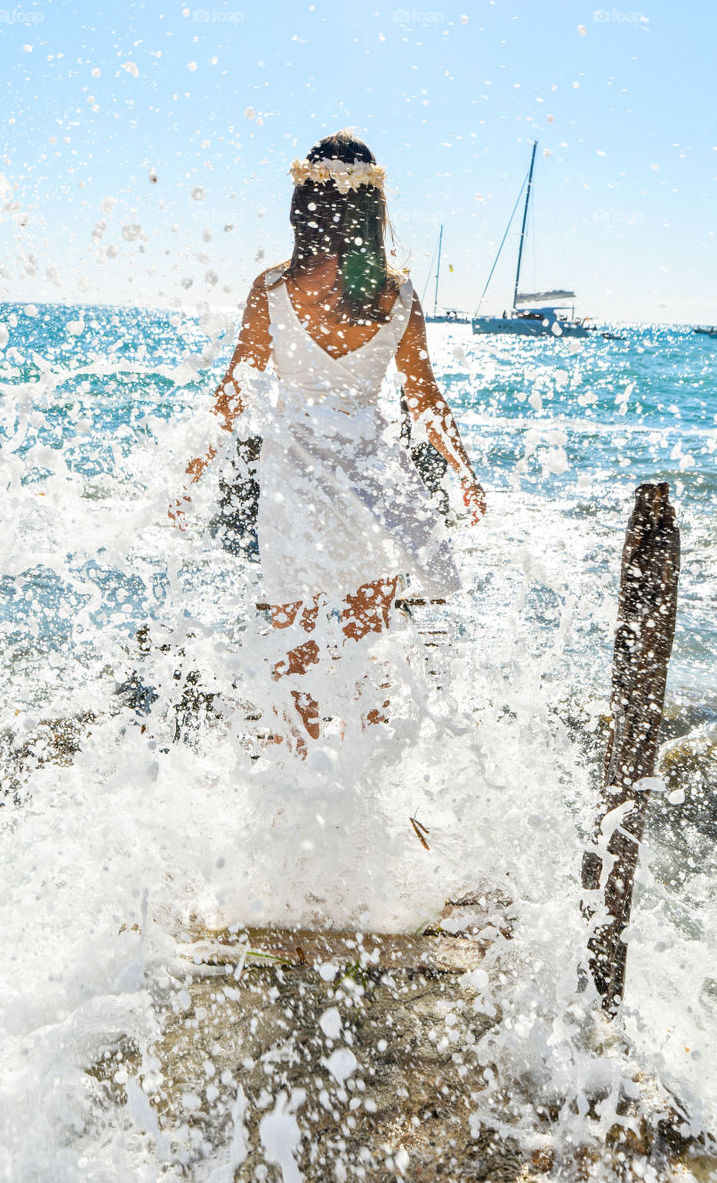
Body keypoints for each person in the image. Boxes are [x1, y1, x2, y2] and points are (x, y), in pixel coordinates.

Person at [170, 130, 486, 744]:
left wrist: (192, 474)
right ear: (373, 209)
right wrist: (465, 473)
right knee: (369, 633)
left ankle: (302, 773)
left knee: (295, 632)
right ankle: (363, 773)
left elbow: (233, 395)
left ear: (303, 205)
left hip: (294, 478)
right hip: (374, 474)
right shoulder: (397, 294)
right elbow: (425, 399)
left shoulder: (273, 289)